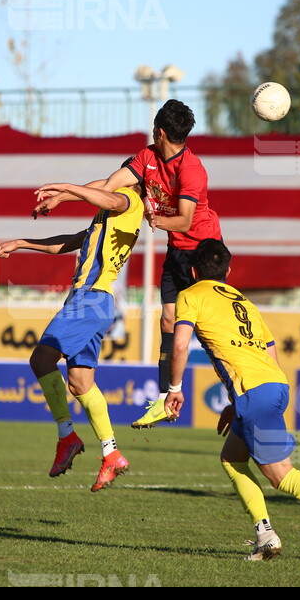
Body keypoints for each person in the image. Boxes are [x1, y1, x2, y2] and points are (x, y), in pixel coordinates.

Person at [164, 240, 300, 560]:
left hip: (256, 393)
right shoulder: (244, 300)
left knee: (283, 477)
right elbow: (268, 350)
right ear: (228, 271)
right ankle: (264, 534)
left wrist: (174, 387)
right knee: (232, 459)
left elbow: (181, 345)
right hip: (272, 385)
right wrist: (240, 402)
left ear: (194, 271)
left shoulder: (190, 295)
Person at [33, 99, 224, 429]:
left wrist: (153, 217)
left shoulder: (192, 170)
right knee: (168, 320)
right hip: (177, 252)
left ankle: (237, 394)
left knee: (210, 331)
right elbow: (109, 186)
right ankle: (166, 398)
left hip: (204, 252)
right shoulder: (148, 156)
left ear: (160, 131)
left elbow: (184, 220)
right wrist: (65, 195)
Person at [0, 182, 143, 491]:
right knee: (80, 383)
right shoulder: (108, 218)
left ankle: (67, 436)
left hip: (90, 299)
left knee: (41, 358)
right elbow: (66, 243)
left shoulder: (127, 199)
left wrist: (62, 190)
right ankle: (111, 452)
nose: (113, 178)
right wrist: (21, 242)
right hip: (95, 302)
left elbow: (101, 191)